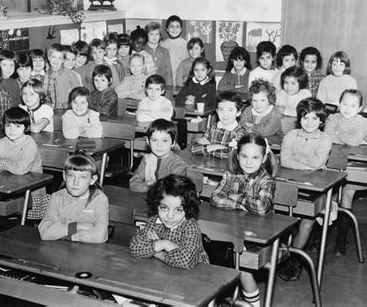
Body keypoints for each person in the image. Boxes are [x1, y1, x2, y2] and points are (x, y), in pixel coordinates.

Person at [210, 134, 277, 307]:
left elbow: (261, 208)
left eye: (255, 157)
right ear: (237, 156)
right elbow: (215, 197)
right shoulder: (231, 174)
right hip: (233, 230)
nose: (248, 162)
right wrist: (245, 203)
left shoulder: (266, 180)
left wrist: (235, 198)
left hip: (260, 238)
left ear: (263, 158)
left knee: (240, 260)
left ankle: (254, 304)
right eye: (244, 156)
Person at [278, 98, 332, 281]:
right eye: (305, 118)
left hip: (316, 189)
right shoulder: (291, 135)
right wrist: (309, 166)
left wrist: (299, 161)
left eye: (314, 119)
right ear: (299, 118)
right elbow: (284, 161)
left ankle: (295, 259)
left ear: (322, 121)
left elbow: (317, 163)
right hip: (288, 184)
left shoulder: (325, 139)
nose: (309, 122)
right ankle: (280, 252)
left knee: (307, 222)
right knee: (280, 217)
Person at [0, 107, 47, 220]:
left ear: (26, 128)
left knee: (22, 224)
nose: (12, 130)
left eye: (17, 126)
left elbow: (21, 169)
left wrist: (3, 163)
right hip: (10, 188)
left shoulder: (29, 143)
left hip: (31, 193)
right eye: (8, 125)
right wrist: (8, 166)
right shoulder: (2, 142)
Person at [129, 175, 207, 268]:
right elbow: (134, 248)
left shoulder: (190, 226)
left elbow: (186, 261)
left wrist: (159, 250)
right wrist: (164, 245)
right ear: (156, 204)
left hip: (196, 276)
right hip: (164, 272)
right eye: (164, 208)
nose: (170, 216)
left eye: (178, 210)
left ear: (188, 209)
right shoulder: (153, 222)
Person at [324, 89, 367, 256]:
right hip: (332, 163)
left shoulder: (362, 122)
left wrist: (338, 135)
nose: (348, 108)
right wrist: (348, 138)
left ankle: (340, 239)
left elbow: (354, 140)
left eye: (353, 105)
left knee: (346, 196)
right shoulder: (333, 117)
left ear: (360, 108)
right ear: (338, 104)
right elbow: (328, 137)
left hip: (355, 166)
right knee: (328, 197)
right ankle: (318, 237)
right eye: (344, 104)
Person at [38, 150, 109, 243]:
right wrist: (78, 226)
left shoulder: (99, 199)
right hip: (59, 251)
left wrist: (69, 237)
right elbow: (45, 232)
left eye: (83, 177)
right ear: (64, 176)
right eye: (71, 176)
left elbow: (100, 236)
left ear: (92, 179)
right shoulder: (57, 197)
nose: (76, 183)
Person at [129, 119, 186, 193]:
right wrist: (150, 188)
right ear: (148, 142)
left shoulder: (178, 164)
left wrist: (149, 186)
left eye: (165, 141)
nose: (159, 145)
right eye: (154, 140)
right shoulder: (146, 159)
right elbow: (133, 184)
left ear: (173, 143)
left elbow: (172, 189)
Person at [191, 91, 245, 158]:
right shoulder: (213, 128)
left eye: (230, 110)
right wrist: (218, 147)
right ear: (216, 111)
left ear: (238, 112)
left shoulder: (239, 132)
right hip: (208, 165)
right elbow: (194, 149)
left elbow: (232, 154)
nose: (225, 114)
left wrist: (209, 147)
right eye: (221, 110)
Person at [44, 44, 81, 109]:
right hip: (50, 110)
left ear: (63, 60)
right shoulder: (45, 75)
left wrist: (68, 104)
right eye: (53, 57)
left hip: (68, 109)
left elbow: (78, 94)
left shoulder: (71, 75)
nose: (56, 60)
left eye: (60, 58)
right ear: (48, 57)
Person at [161, 15, 188, 85]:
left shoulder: (186, 44)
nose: (174, 30)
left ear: (181, 29)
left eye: (177, 27)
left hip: (182, 80)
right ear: (167, 29)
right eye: (171, 27)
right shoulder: (163, 45)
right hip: (167, 81)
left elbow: (189, 64)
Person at [144, 22, 173, 86]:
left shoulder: (164, 51)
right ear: (146, 35)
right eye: (151, 34)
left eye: (157, 34)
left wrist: (169, 88)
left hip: (161, 86)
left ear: (160, 36)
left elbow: (168, 73)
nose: (154, 37)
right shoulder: (143, 51)